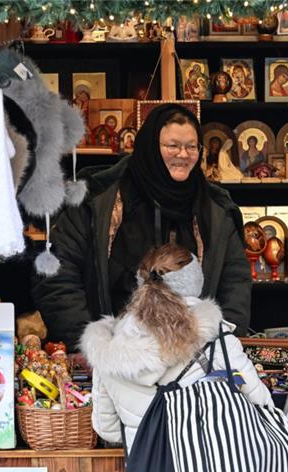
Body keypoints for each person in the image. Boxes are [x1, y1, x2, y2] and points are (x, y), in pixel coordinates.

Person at [82, 244, 272, 472]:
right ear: (196, 282)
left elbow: (106, 429)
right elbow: (261, 403)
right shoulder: (219, 339)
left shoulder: (109, 347)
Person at [33, 104, 252, 349]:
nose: (183, 154)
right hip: (112, 358)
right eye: (172, 145)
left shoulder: (215, 209)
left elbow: (235, 284)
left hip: (193, 361)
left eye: (192, 146)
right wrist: (86, 345)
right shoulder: (98, 200)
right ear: (150, 146)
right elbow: (58, 274)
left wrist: (220, 349)